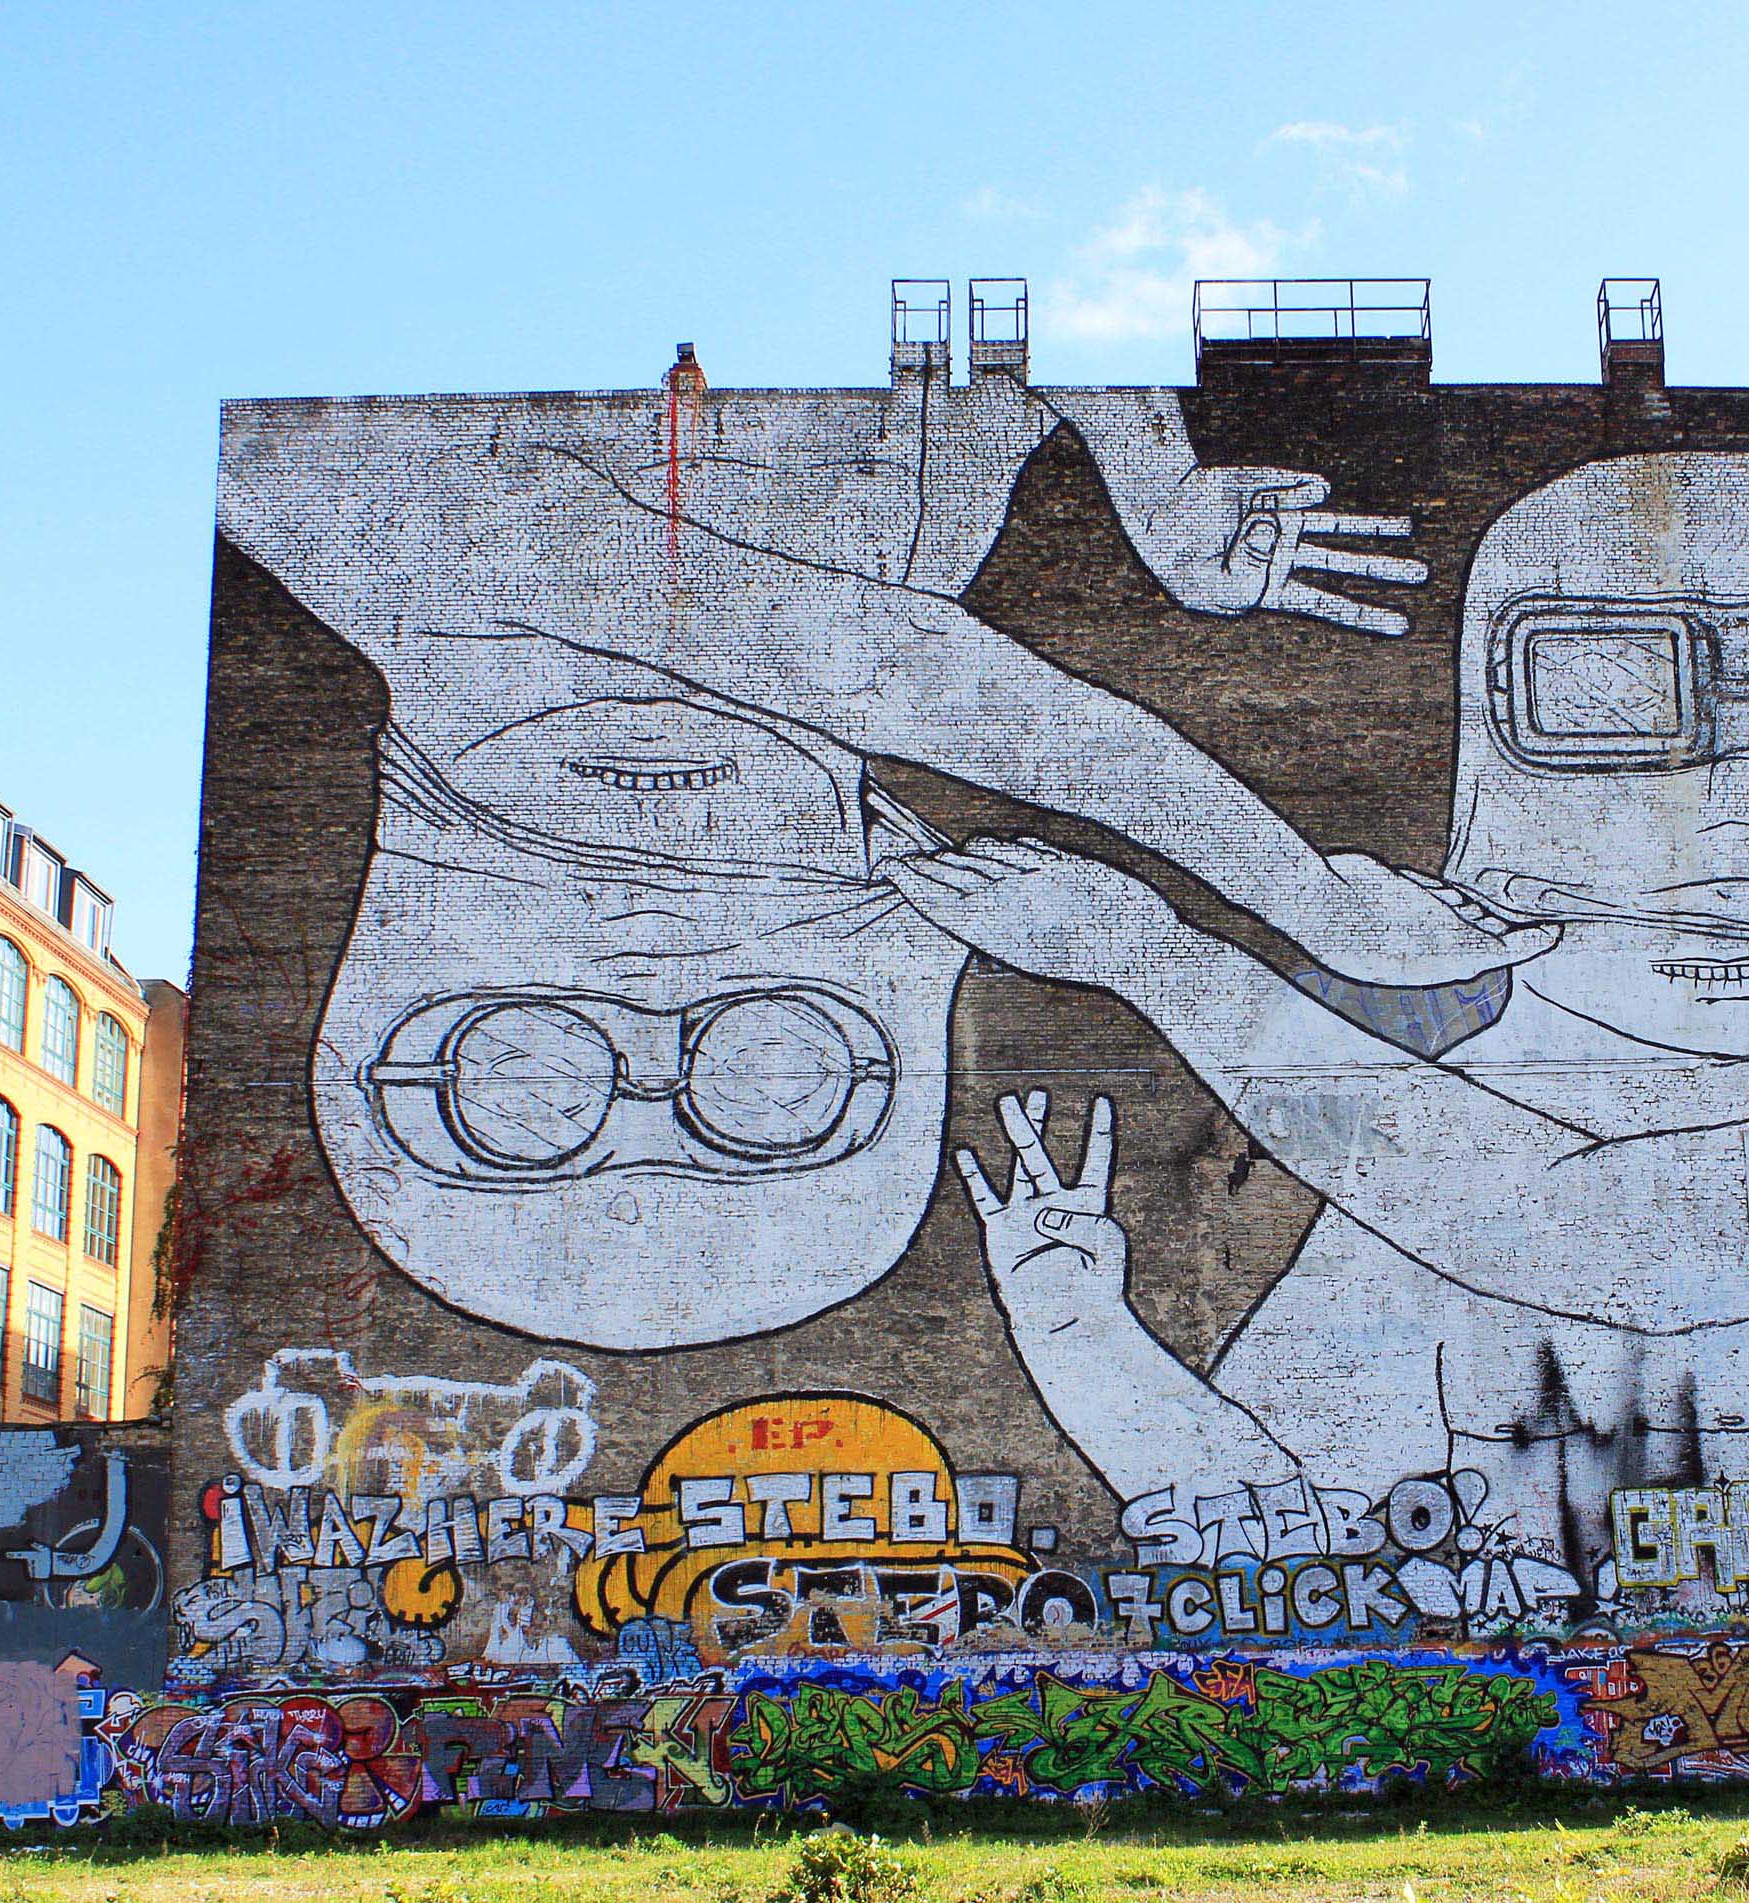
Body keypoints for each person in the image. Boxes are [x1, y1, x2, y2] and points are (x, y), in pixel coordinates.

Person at [909, 453, 1749, 1627]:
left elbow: (1602, 1229)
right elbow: (1293, 1530)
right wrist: (1083, 1333)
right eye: (1606, 689)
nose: (1735, 799)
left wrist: (1154, 955)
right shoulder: (1446, 1139)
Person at [216, 353, 1551, 1348]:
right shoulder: (930, 542)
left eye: (515, 1085)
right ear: (908, 993)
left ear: (373, 1014)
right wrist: (1144, 460)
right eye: (773, 1076)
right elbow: (1018, 328)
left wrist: (1310, 902)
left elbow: (881, 667)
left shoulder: (326, 507)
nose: (650, 987)